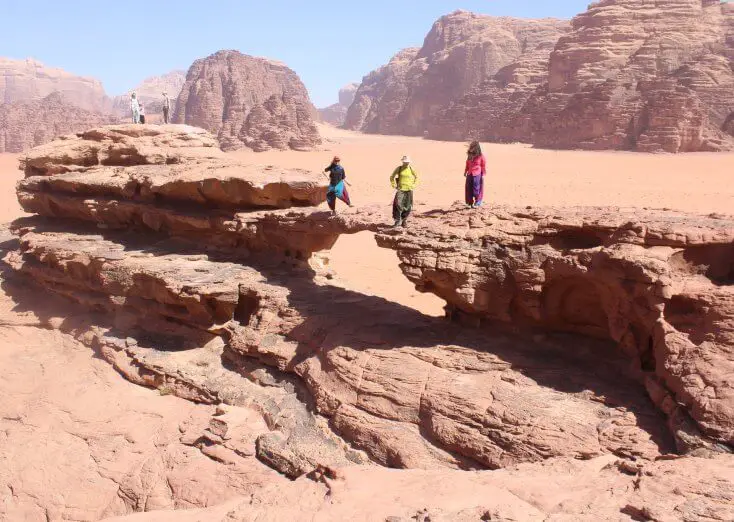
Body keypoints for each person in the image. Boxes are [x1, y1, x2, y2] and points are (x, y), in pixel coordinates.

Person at [390, 155, 418, 227]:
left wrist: (414, 185)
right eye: (405, 162)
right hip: (401, 189)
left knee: (408, 205)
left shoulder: (411, 169)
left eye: (408, 162)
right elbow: (392, 177)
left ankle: (404, 221)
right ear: (402, 162)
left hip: (409, 189)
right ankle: (397, 221)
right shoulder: (399, 168)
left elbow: (417, 177)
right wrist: (394, 185)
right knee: (397, 205)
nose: (406, 163)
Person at [464, 140, 486, 208]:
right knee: (468, 188)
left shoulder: (481, 156)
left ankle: (478, 201)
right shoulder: (469, 155)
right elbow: (467, 164)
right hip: (470, 173)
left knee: (476, 189)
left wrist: (483, 173)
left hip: (477, 174)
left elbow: (483, 164)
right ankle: (470, 203)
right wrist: (465, 171)